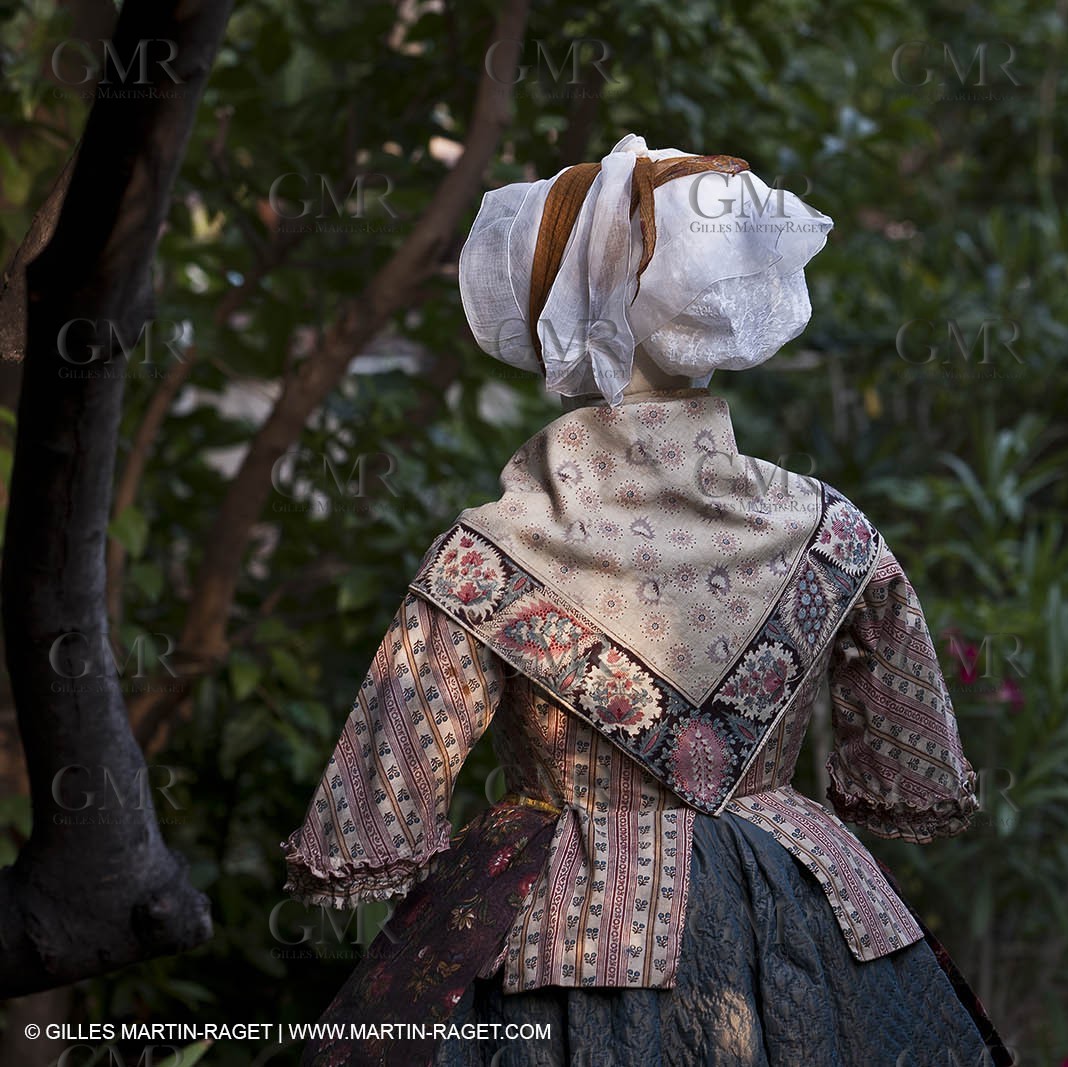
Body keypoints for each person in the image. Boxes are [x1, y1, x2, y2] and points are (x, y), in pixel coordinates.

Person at [280, 133, 1009, 1067]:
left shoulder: (496, 549)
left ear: (567, 311)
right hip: (801, 913)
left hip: (565, 934)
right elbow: (908, 768)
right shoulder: (829, 531)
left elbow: (384, 806)